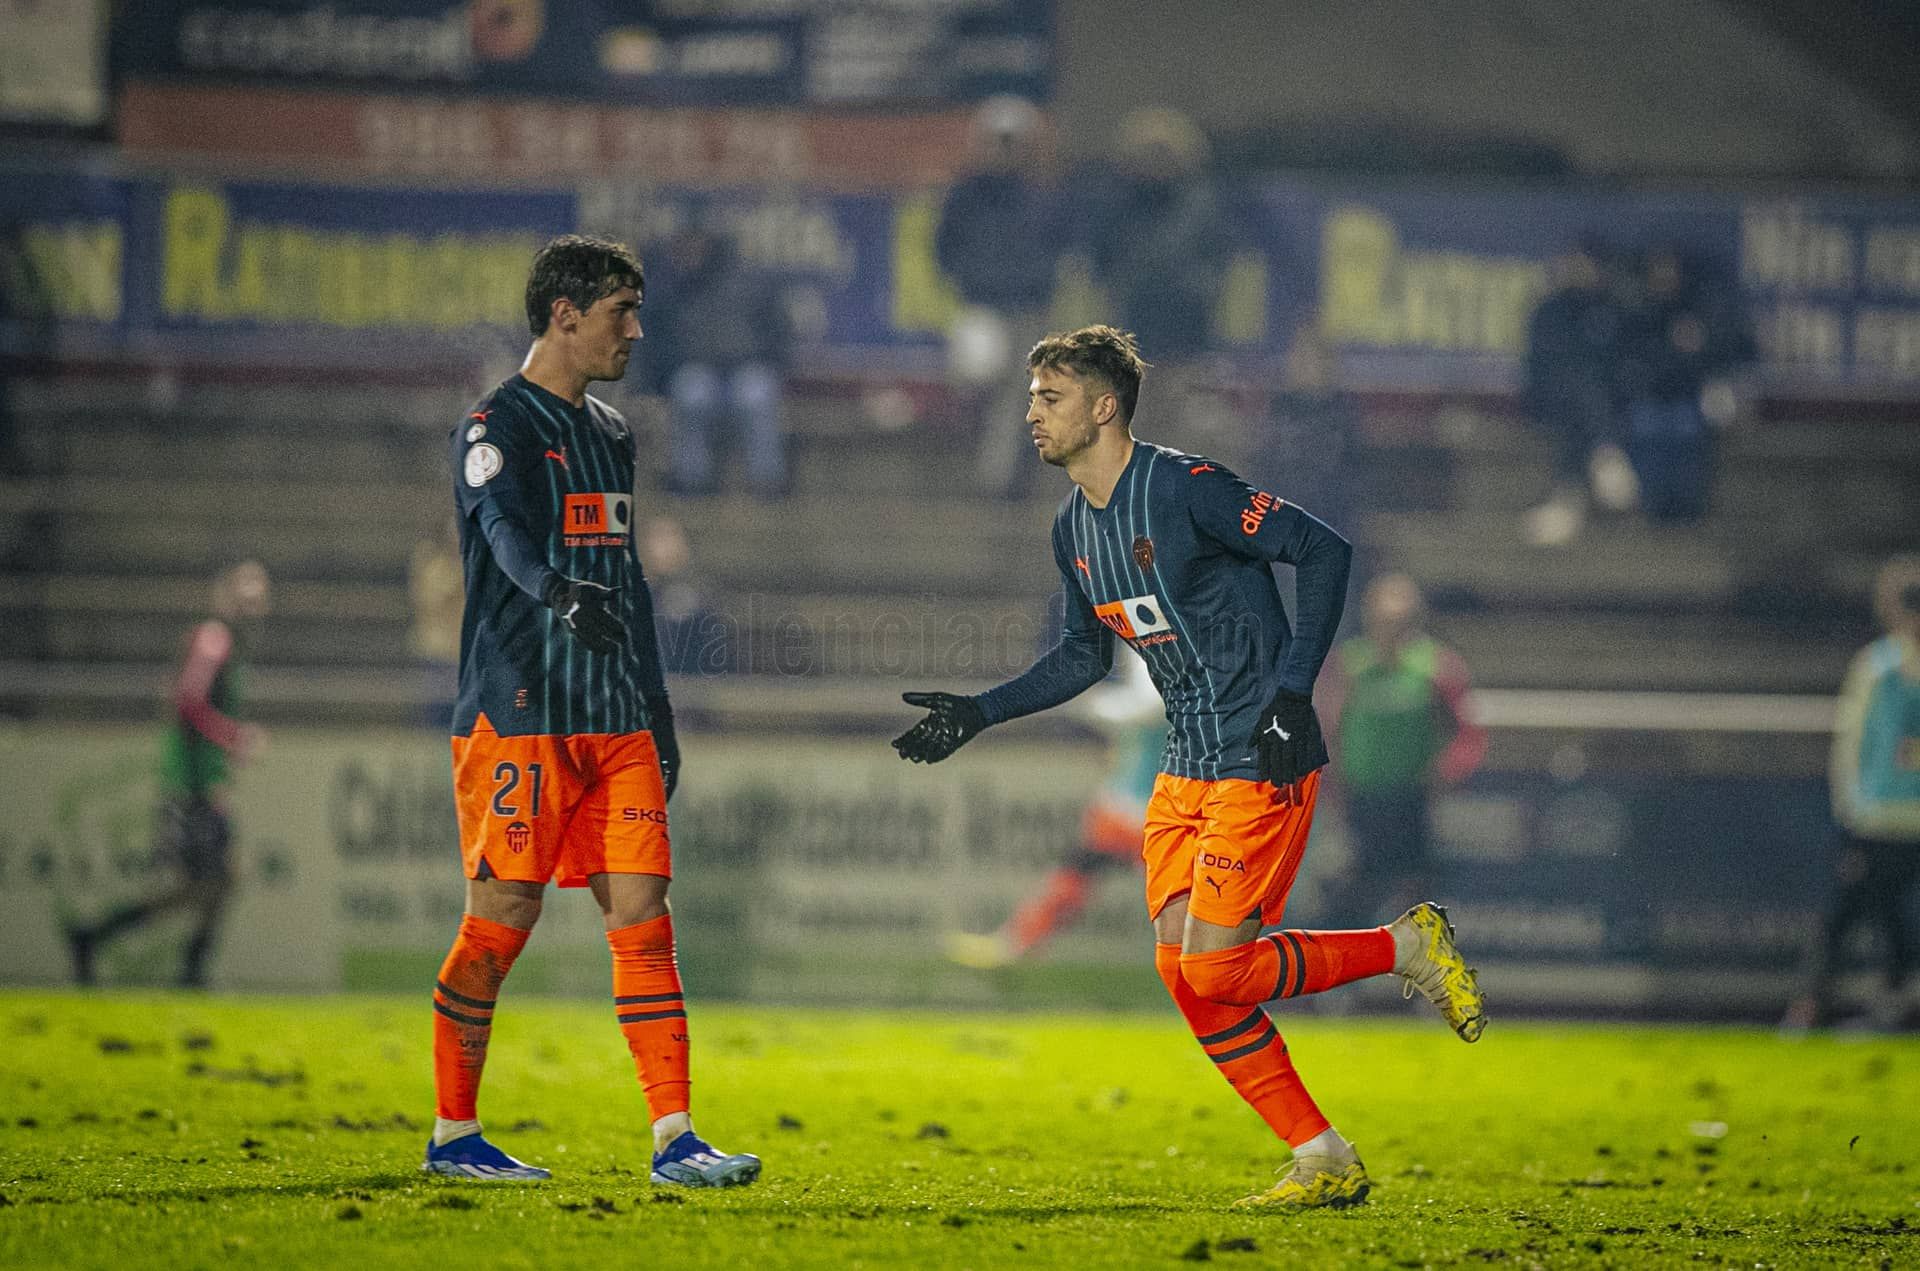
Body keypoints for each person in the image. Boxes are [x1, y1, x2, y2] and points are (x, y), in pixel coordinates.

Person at [893, 326, 1486, 1209]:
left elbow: (1324, 550)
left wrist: (1293, 693)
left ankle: (1405, 944)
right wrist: (981, 711)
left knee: (1215, 970)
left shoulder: (1187, 486)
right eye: (1030, 398)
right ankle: (1322, 1154)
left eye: (1048, 398)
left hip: (1261, 753)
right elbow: (1080, 659)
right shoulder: (1073, 529)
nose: (1031, 414)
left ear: (1103, 407)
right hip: (1185, 767)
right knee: (1184, 975)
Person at [426, 234, 758, 1187]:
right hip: (521, 711)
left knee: (646, 918)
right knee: (500, 920)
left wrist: (658, 708)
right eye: (622, 311)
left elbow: (631, 579)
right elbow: (503, 536)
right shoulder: (495, 426)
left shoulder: (612, 431)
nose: (637, 331)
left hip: (616, 720)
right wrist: (557, 592)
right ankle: (454, 1134)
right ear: (564, 315)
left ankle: (676, 1138)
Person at [64, 561, 271, 988]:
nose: (255, 601)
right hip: (189, 786)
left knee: (215, 882)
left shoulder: (228, 647)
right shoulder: (214, 642)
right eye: (245, 592)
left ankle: (122, 947)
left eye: (260, 593)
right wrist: (232, 737)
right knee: (204, 884)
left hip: (204, 785)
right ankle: (108, 941)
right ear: (225, 595)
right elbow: (188, 702)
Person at [943, 651, 1166, 968]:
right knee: (1078, 870)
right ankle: (1015, 942)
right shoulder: (1145, 639)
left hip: (1155, 808)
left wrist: (1091, 704)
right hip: (1127, 802)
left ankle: (1212, 966)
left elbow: (1151, 708)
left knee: (1180, 895)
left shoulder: (1164, 640)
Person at [1783, 557, 1920, 1031]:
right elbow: (1853, 745)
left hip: (1890, 821)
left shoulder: (1878, 666)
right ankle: (1813, 1008)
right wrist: (1851, 812)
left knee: (1875, 921)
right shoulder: (1878, 668)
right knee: (1856, 916)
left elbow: (1850, 745)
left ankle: (1883, 1007)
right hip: (1880, 821)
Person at [1321, 574, 1486, 926]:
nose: (1391, 631)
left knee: (1417, 894)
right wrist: (1331, 788)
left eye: (1400, 623)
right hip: (1358, 803)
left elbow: (1467, 733)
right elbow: (1326, 730)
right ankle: (1340, 972)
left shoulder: (1437, 667)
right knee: (1352, 891)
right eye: (1383, 622)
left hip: (1413, 802)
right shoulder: (1350, 665)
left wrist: (1446, 774)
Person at [935, 95, 1070, 498]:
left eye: (1013, 141)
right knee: (975, 385)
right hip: (979, 307)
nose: (1005, 150)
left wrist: (1039, 279)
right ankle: (984, 472)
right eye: (998, 140)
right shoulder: (965, 193)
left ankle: (995, 482)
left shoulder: (1043, 192)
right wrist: (967, 279)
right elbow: (944, 246)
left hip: (1027, 307)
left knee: (1018, 396)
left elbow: (1060, 244)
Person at [650, 219, 793, 499]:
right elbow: (658, 339)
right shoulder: (675, 284)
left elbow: (779, 332)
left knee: (756, 396)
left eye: (698, 244)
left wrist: (769, 361)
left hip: (747, 369)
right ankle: (692, 482)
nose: (692, 251)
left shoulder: (749, 281)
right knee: (691, 393)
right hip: (700, 372)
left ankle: (768, 483)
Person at [1520, 238, 1635, 548]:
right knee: (1581, 394)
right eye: (1576, 264)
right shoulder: (1550, 310)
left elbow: (1622, 363)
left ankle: (1568, 502)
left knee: (1589, 403)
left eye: (1587, 265)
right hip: (1552, 399)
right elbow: (1541, 364)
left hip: (1602, 406)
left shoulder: (1611, 310)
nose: (1581, 272)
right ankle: (1606, 455)